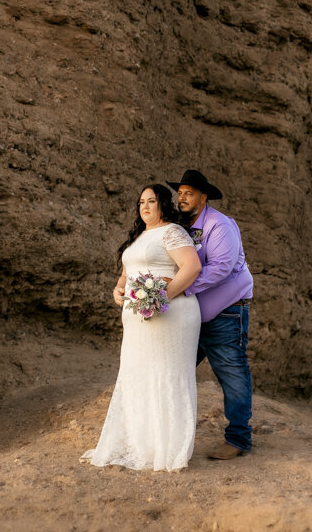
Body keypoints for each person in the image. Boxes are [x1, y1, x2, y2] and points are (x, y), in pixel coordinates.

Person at [83, 184, 201, 470]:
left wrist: (162, 296)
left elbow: (191, 266)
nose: (145, 206)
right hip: (137, 315)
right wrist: (118, 288)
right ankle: (139, 442)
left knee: (165, 374)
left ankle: (167, 448)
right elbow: (128, 271)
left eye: (151, 201)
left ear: (163, 204)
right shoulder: (140, 236)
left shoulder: (173, 232)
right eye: (141, 202)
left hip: (171, 314)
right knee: (137, 373)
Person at [168, 169, 254, 459]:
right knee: (173, 367)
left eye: (188, 193)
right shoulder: (183, 227)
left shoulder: (220, 225)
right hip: (193, 314)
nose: (182, 198)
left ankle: (239, 439)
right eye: (180, 193)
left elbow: (222, 267)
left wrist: (182, 288)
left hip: (226, 312)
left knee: (232, 373)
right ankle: (165, 431)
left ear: (203, 198)